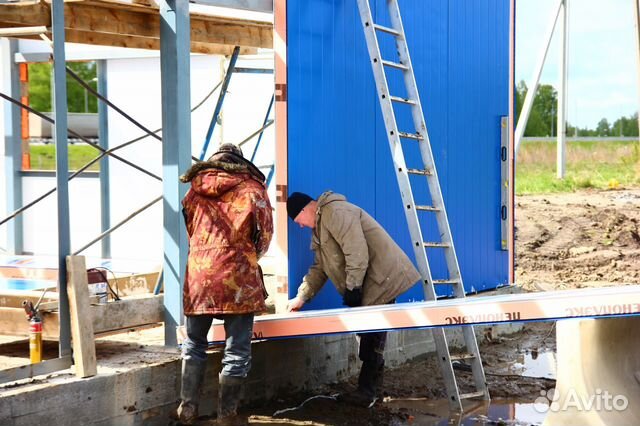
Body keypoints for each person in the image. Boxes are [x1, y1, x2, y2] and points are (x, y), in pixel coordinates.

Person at [286, 191, 421, 407]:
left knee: (372, 336)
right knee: (370, 336)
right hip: (372, 281)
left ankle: (367, 392)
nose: (300, 226)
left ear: (304, 210)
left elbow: (356, 250)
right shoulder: (321, 228)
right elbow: (320, 268)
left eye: (297, 221)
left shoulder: (335, 212)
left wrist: (353, 287)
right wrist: (301, 297)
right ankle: (371, 391)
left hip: (382, 279)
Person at [173, 143, 273, 426]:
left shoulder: (194, 189)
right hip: (238, 280)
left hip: (199, 277)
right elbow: (264, 236)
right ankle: (227, 416)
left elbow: (191, 229)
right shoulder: (252, 189)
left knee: (193, 345)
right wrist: (247, 255)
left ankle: (187, 410)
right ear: (239, 162)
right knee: (237, 350)